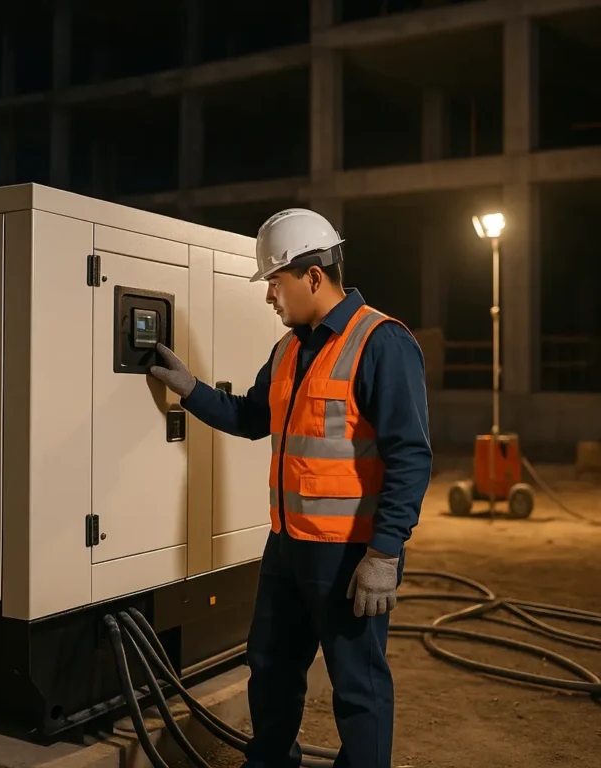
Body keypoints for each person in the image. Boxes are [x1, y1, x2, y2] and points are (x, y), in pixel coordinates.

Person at [149, 208, 432, 768]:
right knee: (271, 668)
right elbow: (252, 417)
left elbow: (410, 456)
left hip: (349, 553)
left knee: (357, 685)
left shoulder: (381, 342)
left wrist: (384, 553)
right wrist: (191, 390)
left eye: (275, 282)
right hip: (287, 546)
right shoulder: (289, 350)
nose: (268, 296)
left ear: (313, 276)